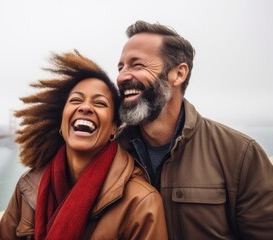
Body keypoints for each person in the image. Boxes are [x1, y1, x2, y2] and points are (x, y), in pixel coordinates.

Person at [116, 20, 273, 240]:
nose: (122, 77)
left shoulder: (240, 155)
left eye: (137, 65)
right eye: (120, 67)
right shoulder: (111, 151)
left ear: (179, 74)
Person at [0, 50, 168, 240]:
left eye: (100, 103)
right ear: (62, 121)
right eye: (76, 100)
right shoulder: (28, 187)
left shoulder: (141, 203)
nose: (85, 107)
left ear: (113, 128)